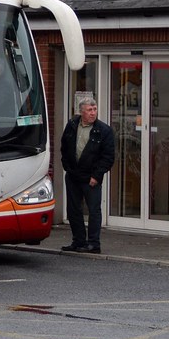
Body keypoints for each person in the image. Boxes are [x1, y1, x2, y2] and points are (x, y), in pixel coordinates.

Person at [59, 98, 116, 254]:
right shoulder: (72, 125)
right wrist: (67, 167)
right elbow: (64, 146)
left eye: (94, 109)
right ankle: (78, 241)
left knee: (93, 210)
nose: (93, 113)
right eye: (89, 110)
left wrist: (96, 176)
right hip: (73, 175)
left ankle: (93, 243)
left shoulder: (104, 130)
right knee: (73, 210)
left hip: (91, 177)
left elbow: (108, 157)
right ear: (81, 111)